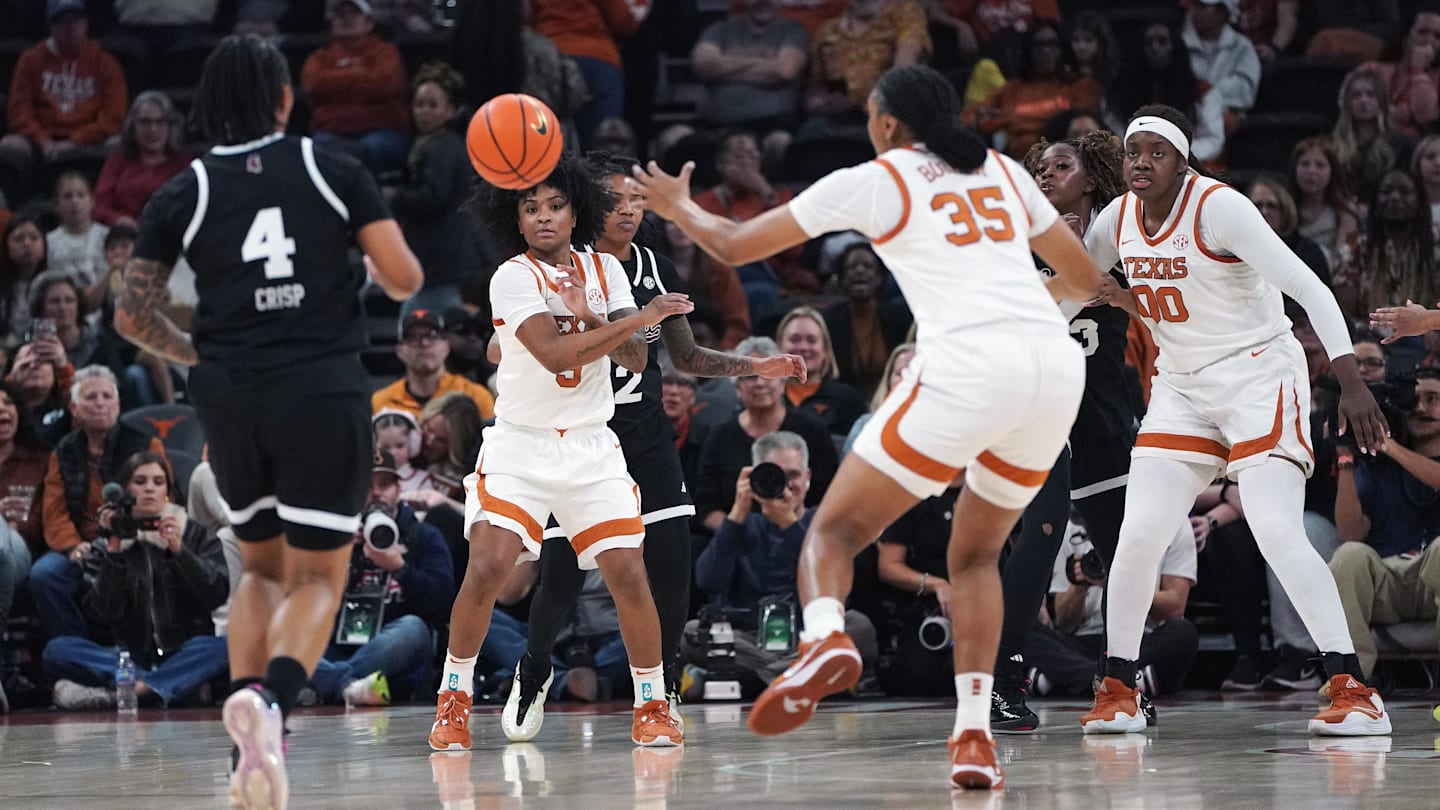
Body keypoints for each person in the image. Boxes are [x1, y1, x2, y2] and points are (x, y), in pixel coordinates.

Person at [633, 63, 1103, 788]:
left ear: (887, 124)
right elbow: (1080, 282)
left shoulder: (881, 177)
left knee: (835, 533)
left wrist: (677, 205)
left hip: (969, 365)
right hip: (1051, 367)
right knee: (975, 558)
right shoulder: (1006, 169)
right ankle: (974, 735)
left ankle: (822, 638)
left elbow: (731, 245)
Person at [113, 34, 422, 810]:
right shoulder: (332, 167)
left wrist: (196, 349)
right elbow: (404, 275)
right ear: (285, 97)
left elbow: (130, 313)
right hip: (320, 388)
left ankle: (247, 739)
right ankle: (273, 702)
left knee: (258, 569)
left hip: (228, 393)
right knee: (319, 573)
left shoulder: (183, 190)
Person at [1080, 104, 1392, 737]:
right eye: (1132, 151)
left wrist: (1351, 381)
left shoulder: (1220, 208)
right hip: (1183, 386)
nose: (1141, 162)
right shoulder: (1115, 220)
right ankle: (1119, 688)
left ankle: (1353, 688)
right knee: (1137, 533)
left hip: (1259, 377)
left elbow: (1312, 289)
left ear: (1182, 160)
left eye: (1156, 152)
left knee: (1276, 530)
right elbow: (1072, 289)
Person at [493, 151, 804, 743]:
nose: (629, 211)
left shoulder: (649, 268)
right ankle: (532, 672)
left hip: (646, 438)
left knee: (670, 573)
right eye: (615, 200)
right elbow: (501, 346)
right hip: (581, 439)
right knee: (559, 578)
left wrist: (754, 363)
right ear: (588, 205)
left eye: (637, 199)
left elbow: (684, 357)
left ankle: (657, 693)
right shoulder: (558, 269)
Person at [426, 153, 694, 753]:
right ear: (516, 222)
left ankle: (652, 704)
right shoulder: (512, 277)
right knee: (490, 566)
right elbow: (553, 355)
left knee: (629, 571)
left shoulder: (607, 271)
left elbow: (636, 359)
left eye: (554, 206)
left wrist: (593, 315)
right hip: (521, 444)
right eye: (530, 209)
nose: (544, 218)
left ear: (578, 211)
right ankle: (454, 698)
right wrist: (607, 323)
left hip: (593, 446)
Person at [990, 129, 1135, 730]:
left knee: (1123, 548)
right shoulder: (1013, 241)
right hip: (1036, 397)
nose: (1046, 175)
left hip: (1100, 404)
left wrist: (1114, 286)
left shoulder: (1123, 237)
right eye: (1040, 169)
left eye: (1060, 165)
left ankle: (1119, 684)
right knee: (1044, 529)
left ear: (1093, 180)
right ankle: (1001, 683)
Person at [687, 431, 878, 694]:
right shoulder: (740, 524)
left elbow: (834, 583)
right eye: (775, 474)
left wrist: (789, 524)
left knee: (860, 627)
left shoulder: (824, 524)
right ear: (754, 477)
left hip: (809, 637)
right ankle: (803, 676)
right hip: (750, 638)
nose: (786, 484)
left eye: (794, 475)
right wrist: (737, 513)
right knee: (693, 632)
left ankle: (764, 679)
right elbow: (707, 580)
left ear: (808, 478)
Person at [43, 450, 230, 710]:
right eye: (140, 482)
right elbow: (101, 613)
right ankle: (163, 687)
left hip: (183, 651)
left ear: (168, 490)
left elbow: (216, 594)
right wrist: (114, 552)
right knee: (57, 649)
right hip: (128, 656)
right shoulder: (105, 545)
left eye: (158, 481)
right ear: (124, 492)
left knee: (226, 646)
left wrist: (179, 553)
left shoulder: (195, 534)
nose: (150, 489)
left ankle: (129, 692)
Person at [309, 449, 454, 705]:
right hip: (338, 647)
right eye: (367, 485)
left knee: (413, 628)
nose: (376, 493)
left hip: (393, 653)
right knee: (279, 633)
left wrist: (400, 568)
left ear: (399, 490)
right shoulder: (334, 537)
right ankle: (346, 685)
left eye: (385, 485)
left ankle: (327, 683)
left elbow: (444, 606)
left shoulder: (424, 535)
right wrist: (337, 564)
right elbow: (305, 609)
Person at [1328, 367, 1440, 677]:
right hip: (1388, 580)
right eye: (1413, 400)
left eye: (1433, 399)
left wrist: (1387, 444)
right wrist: (1346, 459)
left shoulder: (1389, 451)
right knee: (1349, 555)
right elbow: (1350, 533)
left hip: (1434, 578)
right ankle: (1351, 676)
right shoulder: (1378, 466)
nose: (1420, 408)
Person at [30, 366, 155, 641]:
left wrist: (119, 541)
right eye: (91, 397)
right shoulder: (63, 451)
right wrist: (73, 547)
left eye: (107, 396)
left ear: (118, 405)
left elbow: (159, 501)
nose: (100, 403)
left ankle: (136, 656)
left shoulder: (144, 445)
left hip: (131, 542)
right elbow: (54, 512)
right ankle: (76, 653)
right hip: (81, 544)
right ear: (74, 408)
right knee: (45, 575)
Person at [1026, 519, 1198, 699]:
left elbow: (1174, 606)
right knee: (1021, 627)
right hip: (1086, 641)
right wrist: (1080, 586)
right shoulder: (1071, 526)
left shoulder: (1174, 521)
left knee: (1183, 633)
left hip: (1141, 640)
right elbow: (1063, 622)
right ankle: (1120, 682)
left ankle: (1067, 678)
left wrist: (1117, 585)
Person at [694, 336, 839, 531]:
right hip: (737, 541)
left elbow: (829, 497)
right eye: (750, 376)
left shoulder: (813, 431)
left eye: (769, 375)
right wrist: (739, 533)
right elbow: (707, 506)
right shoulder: (720, 437)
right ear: (736, 387)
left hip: (804, 535)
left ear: (783, 382)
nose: (760, 383)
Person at [0, 0, 127, 204]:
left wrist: (77, 140)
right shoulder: (31, 60)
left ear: (86, 24)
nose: (71, 27)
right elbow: (19, 112)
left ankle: (105, 202)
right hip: (42, 140)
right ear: (51, 26)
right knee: (10, 145)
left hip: (88, 139)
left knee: (120, 144)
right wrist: (42, 140)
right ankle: (18, 209)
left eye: (76, 20)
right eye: (63, 21)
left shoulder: (104, 61)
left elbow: (113, 115)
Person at [391, 63, 484, 317]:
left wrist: (395, 197)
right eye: (419, 105)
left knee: (427, 319)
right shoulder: (433, 144)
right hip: (441, 254)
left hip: (443, 255)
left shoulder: (442, 148)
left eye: (433, 105)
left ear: (450, 110)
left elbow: (433, 197)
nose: (423, 112)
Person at [301, 0, 411, 175]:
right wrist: (363, 76)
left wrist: (336, 85)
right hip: (331, 132)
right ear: (331, 23)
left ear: (369, 21)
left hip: (382, 131)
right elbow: (314, 86)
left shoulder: (386, 52)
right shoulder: (319, 58)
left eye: (354, 13)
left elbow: (387, 84)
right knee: (318, 151)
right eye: (341, 14)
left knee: (368, 149)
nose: (347, 19)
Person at [691, 0, 810, 135]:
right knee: (673, 137)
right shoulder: (718, 30)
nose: (763, 1)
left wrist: (723, 68)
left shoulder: (794, 31)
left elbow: (783, 71)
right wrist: (764, 63)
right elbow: (704, 66)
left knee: (780, 141)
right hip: (713, 125)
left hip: (771, 125)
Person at [821, 243, 912, 400]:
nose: (859, 271)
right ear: (841, 279)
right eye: (851, 267)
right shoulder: (830, 320)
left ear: (879, 278)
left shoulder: (899, 316)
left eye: (868, 266)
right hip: (845, 402)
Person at [371, 310, 496, 421]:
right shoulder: (381, 402)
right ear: (400, 350)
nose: (424, 343)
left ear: (446, 346)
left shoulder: (475, 395)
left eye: (432, 335)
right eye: (413, 338)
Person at [94, 92, 192, 228]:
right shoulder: (117, 160)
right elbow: (99, 206)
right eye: (145, 122)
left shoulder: (183, 163)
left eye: (160, 122)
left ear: (170, 126)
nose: (153, 129)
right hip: (123, 234)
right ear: (132, 125)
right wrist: (118, 219)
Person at [774, 306, 869, 436]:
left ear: (826, 350)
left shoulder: (848, 400)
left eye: (812, 340)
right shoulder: (764, 394)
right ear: (779, 347)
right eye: (794, 339)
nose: (803, 347)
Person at [1182, 0, 1261, 123]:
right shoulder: (1180, 44)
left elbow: (1244, 91)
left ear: (1222, 12)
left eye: (1202, 7)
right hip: (1187, 119)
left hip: (1229, 124)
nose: (1194, 11)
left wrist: (1205, 91)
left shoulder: (1241, 46)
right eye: (1194, 5)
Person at [46, 173, 109, 285]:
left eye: (81, 195)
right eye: (67, 196)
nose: (75, 201)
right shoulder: (49, 242)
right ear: (57, 205)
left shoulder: (107, 237)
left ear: (92, 201)